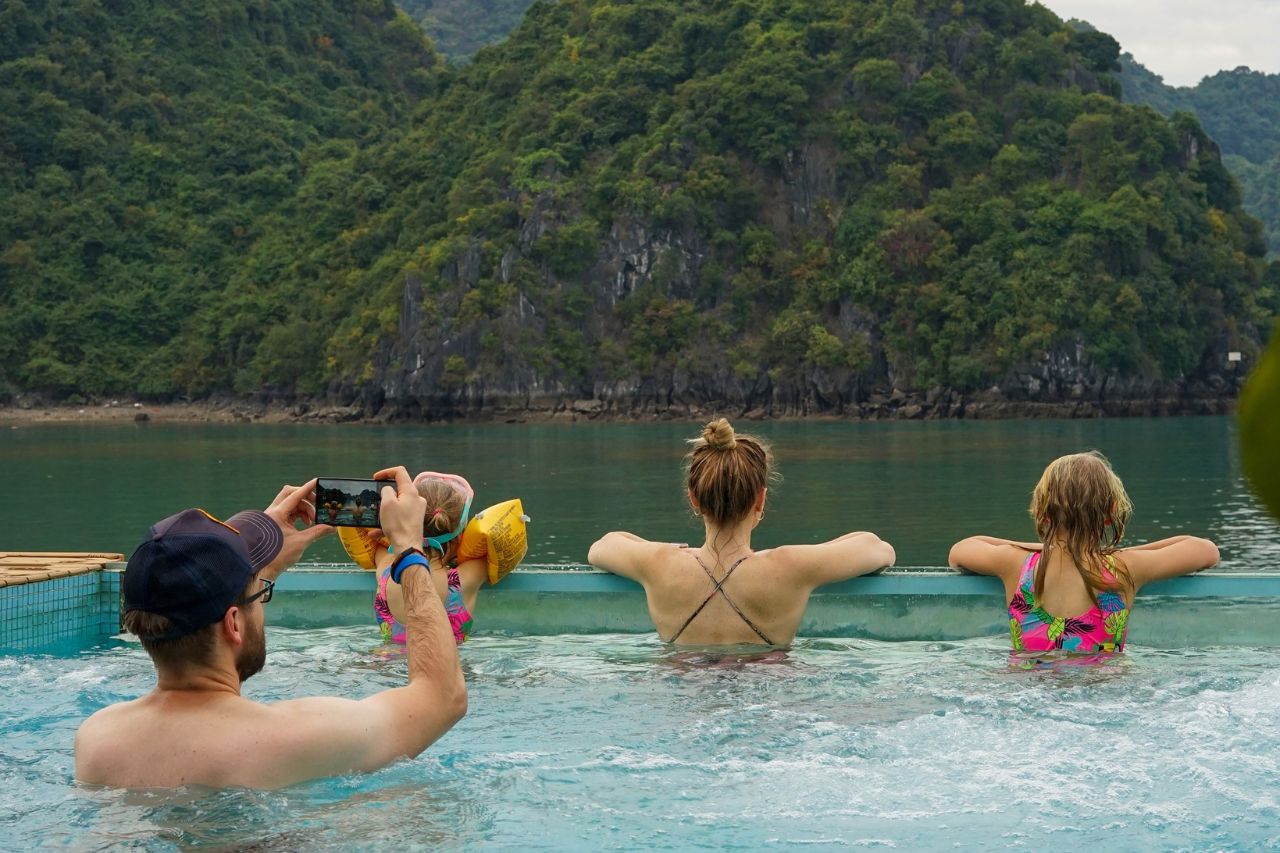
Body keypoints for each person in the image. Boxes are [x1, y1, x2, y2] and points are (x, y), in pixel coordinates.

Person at [74, 469, 467, 789]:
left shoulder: (96, 739)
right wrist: (409, 549)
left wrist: (254, 568)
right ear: (232, 623)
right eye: (259, 593)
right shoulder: (295, 737)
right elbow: (443, 697)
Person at [587, 418, 896, 648]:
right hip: (764, 697)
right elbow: (878, 549)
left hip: (685, 698)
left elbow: (602, 547)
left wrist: (663, 550)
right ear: (760, 499)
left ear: (693, 499)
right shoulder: (789, 566)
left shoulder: (659, 564)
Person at [948, 450, 1220, 656]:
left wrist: (1040, 547)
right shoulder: (1125, 568)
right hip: (1103, 690)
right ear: (1111, 512)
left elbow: (960, 550)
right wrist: (1110, 553)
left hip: (1029, 687)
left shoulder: (1015, 562)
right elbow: (1205, 550)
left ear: (1043, 512)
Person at [371, 472, 487, 645]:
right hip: (445, 668)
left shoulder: (386, 569)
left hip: (387, 665)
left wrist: (395, 532)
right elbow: (490, 553)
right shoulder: (466, 578)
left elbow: (378, 547)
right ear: (460, 534)